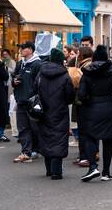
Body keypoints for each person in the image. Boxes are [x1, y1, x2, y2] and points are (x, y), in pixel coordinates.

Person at [77, 45, 112, 182]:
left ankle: (93, 166)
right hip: (110, 108)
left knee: (90, 137)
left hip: (92, 108)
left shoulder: (87, 72)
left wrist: (88, 102)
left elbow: (81, 95)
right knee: (108, 140)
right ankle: (106, 173)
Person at [34, 48, 75, 180]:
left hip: (43, 111)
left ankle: (49, 170)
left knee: (46, 137)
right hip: (59, 112)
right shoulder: (64, 75)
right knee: (59, 138)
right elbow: (70, 97)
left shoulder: (41, 73)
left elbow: (34, 89)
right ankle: (56, 171)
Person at [12, 41, 42, 163]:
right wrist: (14, 81)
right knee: (22, 127)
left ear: (30, 49)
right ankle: (26, 152)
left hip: (33, 102)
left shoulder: (37, 64)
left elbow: (39, 83)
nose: (21, 50)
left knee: (35, 127)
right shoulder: (20, 64)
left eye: (23, 48)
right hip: (21, 100)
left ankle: (36, 149)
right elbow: (14, 77)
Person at [73, 47, 93, 167]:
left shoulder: (87, 66)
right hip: (83, 101)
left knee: (84, 130)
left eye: (79, 53)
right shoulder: (82, 64)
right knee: (83, 130)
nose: (77, 55)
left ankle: (86, 156)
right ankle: (83, 155)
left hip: (84, 101)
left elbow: (82, 83)